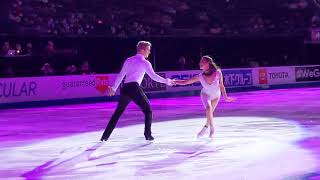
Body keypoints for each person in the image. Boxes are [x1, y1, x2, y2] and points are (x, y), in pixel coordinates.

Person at [100, 41, 175, 142]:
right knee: (148, 111)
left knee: (117, 113)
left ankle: (105, 136)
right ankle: (148, 135)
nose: (149, 52)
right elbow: (153, 77)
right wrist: (168, 81)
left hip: (125, 88)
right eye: (148, 50)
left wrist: (114, 88)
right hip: (134, 88)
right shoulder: (144, 62)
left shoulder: (128, 60)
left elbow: (121, 75)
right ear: (142, 49)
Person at [174, 55, 235, 138]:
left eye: (202, 61)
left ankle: (206, 127)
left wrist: (226, 97)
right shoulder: (200, 76)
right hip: (205, 95)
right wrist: (174, 81)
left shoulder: (218, 72)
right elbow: (185, 82)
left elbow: (221, 85)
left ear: (207, 63)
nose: (199, 63)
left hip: (216, 95)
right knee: (209, 109)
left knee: (210, 113)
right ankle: (212, 129)